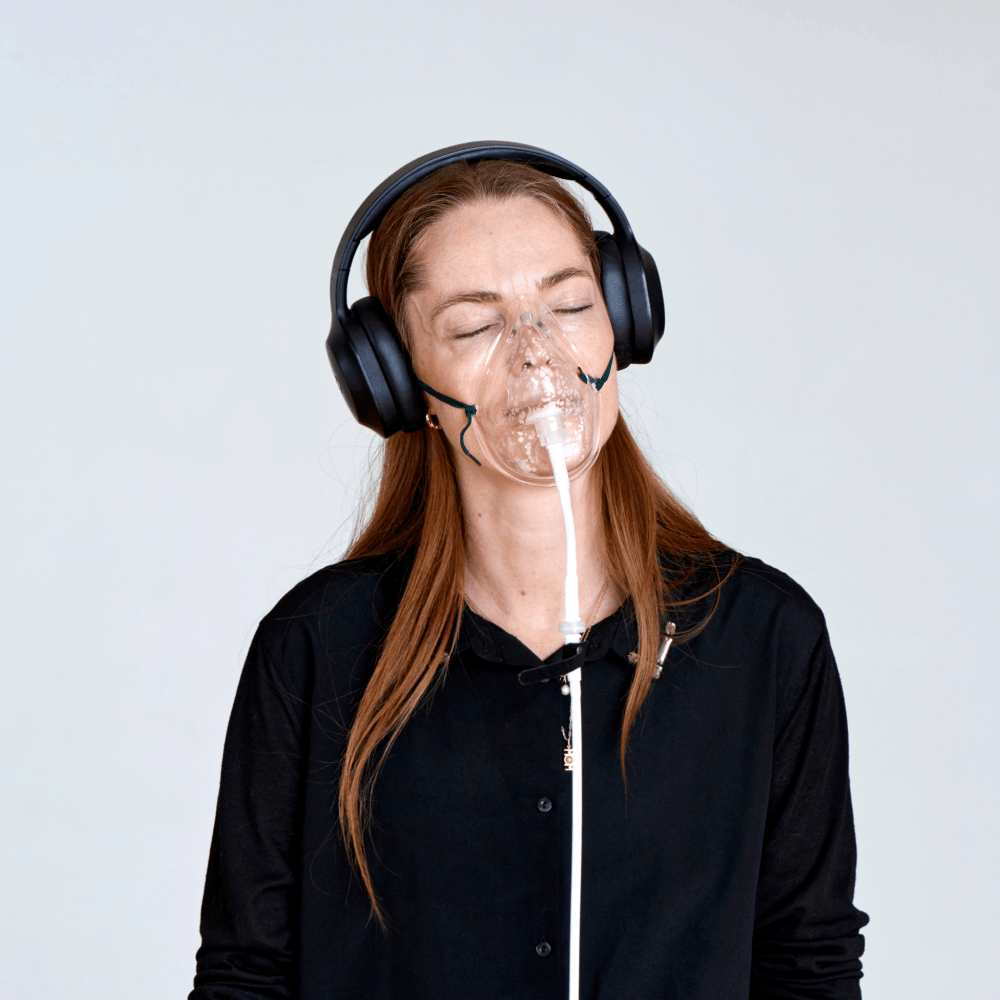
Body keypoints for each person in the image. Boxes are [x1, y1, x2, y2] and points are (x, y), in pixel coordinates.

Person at [190, 143, 868, 1000]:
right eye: (475, 326)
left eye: (571, 305)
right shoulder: (315, 648)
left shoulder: (765, 638)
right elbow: (246, 978)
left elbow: (808, 969)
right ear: (396, 381)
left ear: (624, 324)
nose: (538, 354)